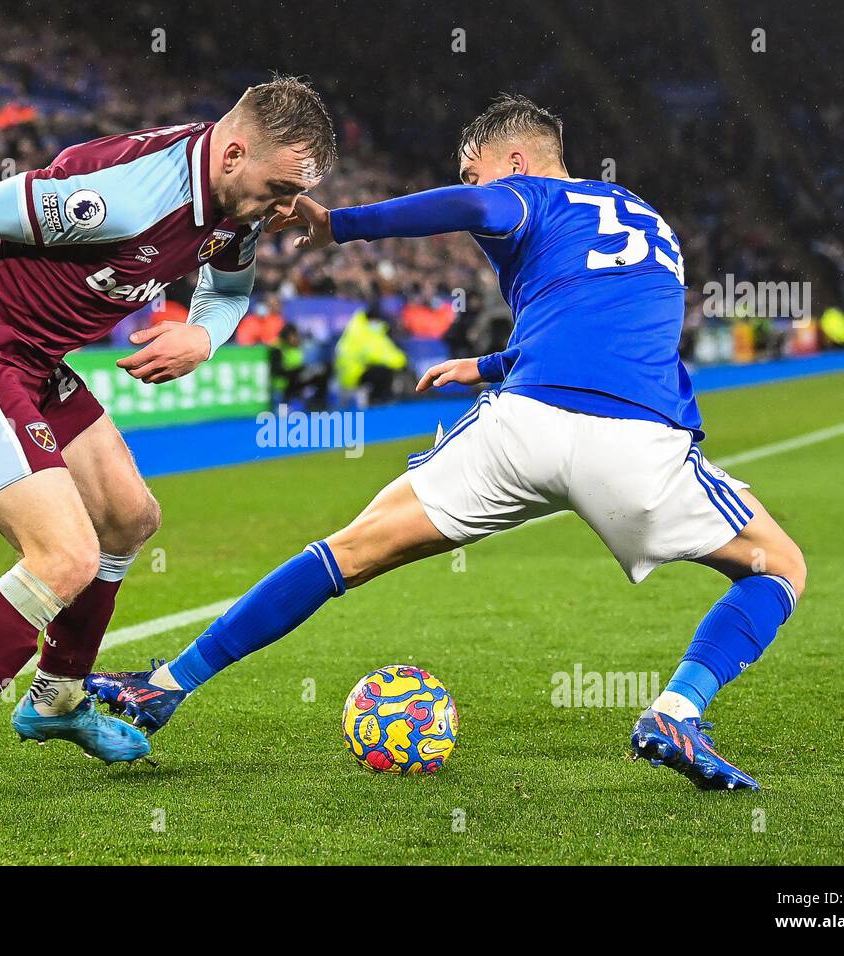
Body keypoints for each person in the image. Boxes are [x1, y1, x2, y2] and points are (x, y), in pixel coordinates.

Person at [90, 94, 807, 792]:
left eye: (473, 170)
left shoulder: (529, 197)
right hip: (634, 446)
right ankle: (676, 712)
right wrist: (493, 363)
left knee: (347, 550)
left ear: (518, 160)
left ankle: (164, 686)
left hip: (523, 429)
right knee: (777, 567)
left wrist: (339, 223)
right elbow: (608, 335)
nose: (470, 190)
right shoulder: (650, 224)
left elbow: (475, 208)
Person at [0, 76, 337, 819]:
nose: (286, 210)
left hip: (34, 363)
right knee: (65, 557)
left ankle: (55, 700)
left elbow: (229, 289)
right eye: (280, 189)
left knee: (128, 515)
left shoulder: (237, 201)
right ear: (235, 151)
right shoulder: (128, 195)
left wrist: (202, 335)